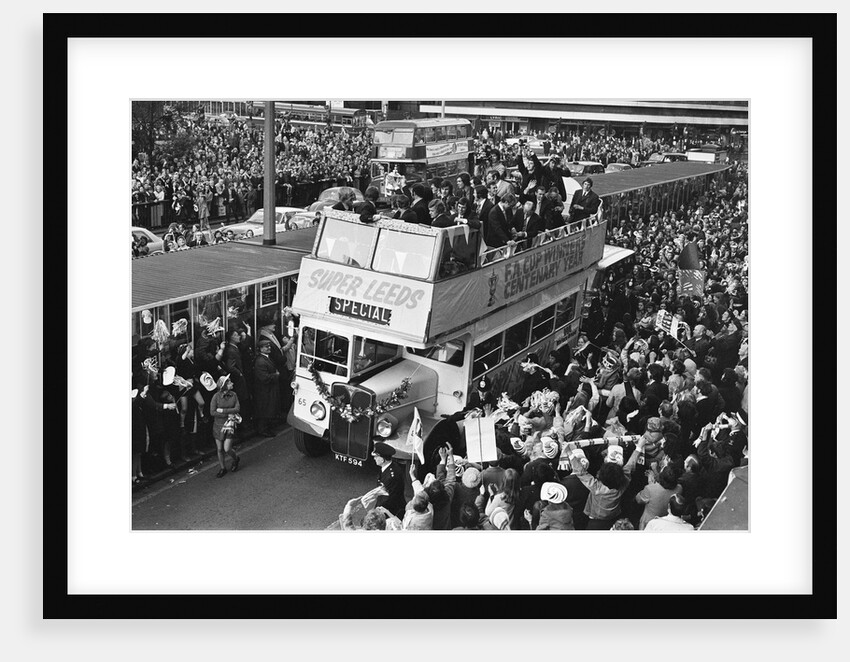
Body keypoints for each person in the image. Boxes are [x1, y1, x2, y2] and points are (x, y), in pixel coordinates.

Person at [210, 375, 241, 478]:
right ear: (224, 386)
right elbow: (212, 412)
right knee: (219, 449)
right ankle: (223, 468)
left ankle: (235, 458)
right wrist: (227, 414)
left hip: (230, 424)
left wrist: (223, 411)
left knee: (227, 448)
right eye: (229, 382)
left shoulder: (234, 395)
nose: (232, 383)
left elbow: (237, 409)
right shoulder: (216, 397)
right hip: (218, 425)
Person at [253, 339, 280, 437]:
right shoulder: (260, 361)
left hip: (269, 389)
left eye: (269, 346)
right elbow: (264, 377)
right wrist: (276, 375)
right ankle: (263, 430)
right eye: (266, 347)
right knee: (264, 410)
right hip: (264, 390)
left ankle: (266, 428)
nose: (269, 348)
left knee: (268, 409)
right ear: (260, 349)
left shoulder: (267, 358)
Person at [372, 441, 405, 519]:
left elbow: (389, 498)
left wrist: (378, 510)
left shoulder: (391, 477)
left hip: (390, 510)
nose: (374, 458)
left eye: (376, 456)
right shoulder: (390, 466)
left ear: (383, 459)